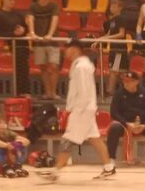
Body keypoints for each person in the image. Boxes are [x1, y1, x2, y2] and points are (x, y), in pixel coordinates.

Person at [38, 39, 116, 181]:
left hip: (82, 110)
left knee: (68, 140)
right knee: (95, 139)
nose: (65, 51)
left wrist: (77, 110)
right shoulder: (81, 65)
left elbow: (84, 91)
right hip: (85, 109)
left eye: (67, 48)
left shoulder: (81, 67)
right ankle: (109, 167)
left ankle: (55, 172)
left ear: (75, 49)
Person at [107, 71, 145, 169]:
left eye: (129, 81)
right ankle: (111, 159)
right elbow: (114, 113)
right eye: (125, 81)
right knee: (114, 129)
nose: (126, 83)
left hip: (142, 124)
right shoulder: (119, 93)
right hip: (125, 124)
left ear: (136, 82)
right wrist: (126, 123)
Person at [93, 0, 134, 95]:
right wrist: (99, 40)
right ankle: (127, 90)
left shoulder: (121, 19)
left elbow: (121, 34)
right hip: (113, 49)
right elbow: (109, 34)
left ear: (120, 8)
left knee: (116, 71)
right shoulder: (112, 21)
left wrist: (106, 38)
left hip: (119, 50)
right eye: (111, 5)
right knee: (117, 71)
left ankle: (110, 90)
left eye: (114, 6)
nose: (112, 7)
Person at [0, 0, 30, 95]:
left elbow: (26, 28)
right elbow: (0, 33)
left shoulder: (18, 14)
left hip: (22, 45)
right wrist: (14, 34)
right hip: (12, 45)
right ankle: (19, 93)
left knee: (24, 69)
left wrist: (23, 30)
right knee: (19, 69)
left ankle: (25, 92)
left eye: (14, 0)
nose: (12, 2)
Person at [26, 0, 60, 99]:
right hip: (39, 42)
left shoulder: (53, 5)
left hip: (52, 42)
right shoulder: (32, 6)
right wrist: (32, 33)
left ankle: (53, 93)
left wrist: (50, 34)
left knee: (54, 66)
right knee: (43, 67)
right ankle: (48, 93)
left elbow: (55, 19)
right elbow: (30, 19)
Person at [0, 111, 30, 178]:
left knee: (21, 144)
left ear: (4, 123)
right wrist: (6, 145)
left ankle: (18, 166)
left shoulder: (8, 132)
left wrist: (17, 144)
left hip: (10, 164)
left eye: (0, 123)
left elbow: (26, 141)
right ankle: (5, 167)